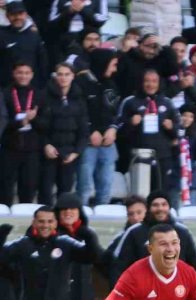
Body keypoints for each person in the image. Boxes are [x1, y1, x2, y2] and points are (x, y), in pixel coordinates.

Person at [111, 191, 196, 300]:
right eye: (155, 205)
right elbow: (118, 267)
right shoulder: (134, 232)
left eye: (164, 204)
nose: (160, 208)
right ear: (149, 208)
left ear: (169, 207)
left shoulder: (182, 232)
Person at [117, 69, 182, 205]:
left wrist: (171, 127)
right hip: (139, 156)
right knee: (140, 196)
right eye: (147, 81)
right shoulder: (130, 102)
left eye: (154, 81)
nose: (150, 85)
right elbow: (120, 132)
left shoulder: (167, 103)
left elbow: (179, 132)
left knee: (162, 194)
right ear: (141, 82)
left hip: (163, 157)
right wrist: (131, 123)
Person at [37, 62, 88, 204]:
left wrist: (76, 152)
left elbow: (83, 129)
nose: (63, 78)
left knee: (65, 193)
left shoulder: (79, 98)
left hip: (69, 154)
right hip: (49, 152)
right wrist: (46, 145)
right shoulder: (44, 96)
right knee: (45, 191)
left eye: (67, 74)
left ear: (73, 76)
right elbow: (39, 126)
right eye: (60, 74)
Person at [76, 48, 120, 206]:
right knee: (84, 187)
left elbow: (115, 111)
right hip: (88, 143)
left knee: (106, 185)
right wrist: (90, 130)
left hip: (108, 142)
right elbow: (79, 111)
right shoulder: (80, 83)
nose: (114, 69)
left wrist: (113, 128)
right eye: (113, 65)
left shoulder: (111, 84)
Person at [0, 61, 44, 206]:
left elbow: (45, 123)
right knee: (5, 188)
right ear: (14, 74)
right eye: (20, 72)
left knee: (28, 187)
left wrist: (33, 119)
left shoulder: (38, 94)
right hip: (10, 147)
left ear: (32, 75)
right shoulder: (5, 94)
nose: (23, 76)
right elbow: (2, 123)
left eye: (26, 73)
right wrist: (22, 122)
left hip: (31, 149)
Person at [0, 2, 49, 88]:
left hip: (32, 89)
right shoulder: (2, 35)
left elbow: (43, 63)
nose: (17, 17)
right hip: (7, 89)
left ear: (26, 15)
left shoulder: (34, 36)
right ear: (7, 16)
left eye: (20, 14)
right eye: (13, 14)